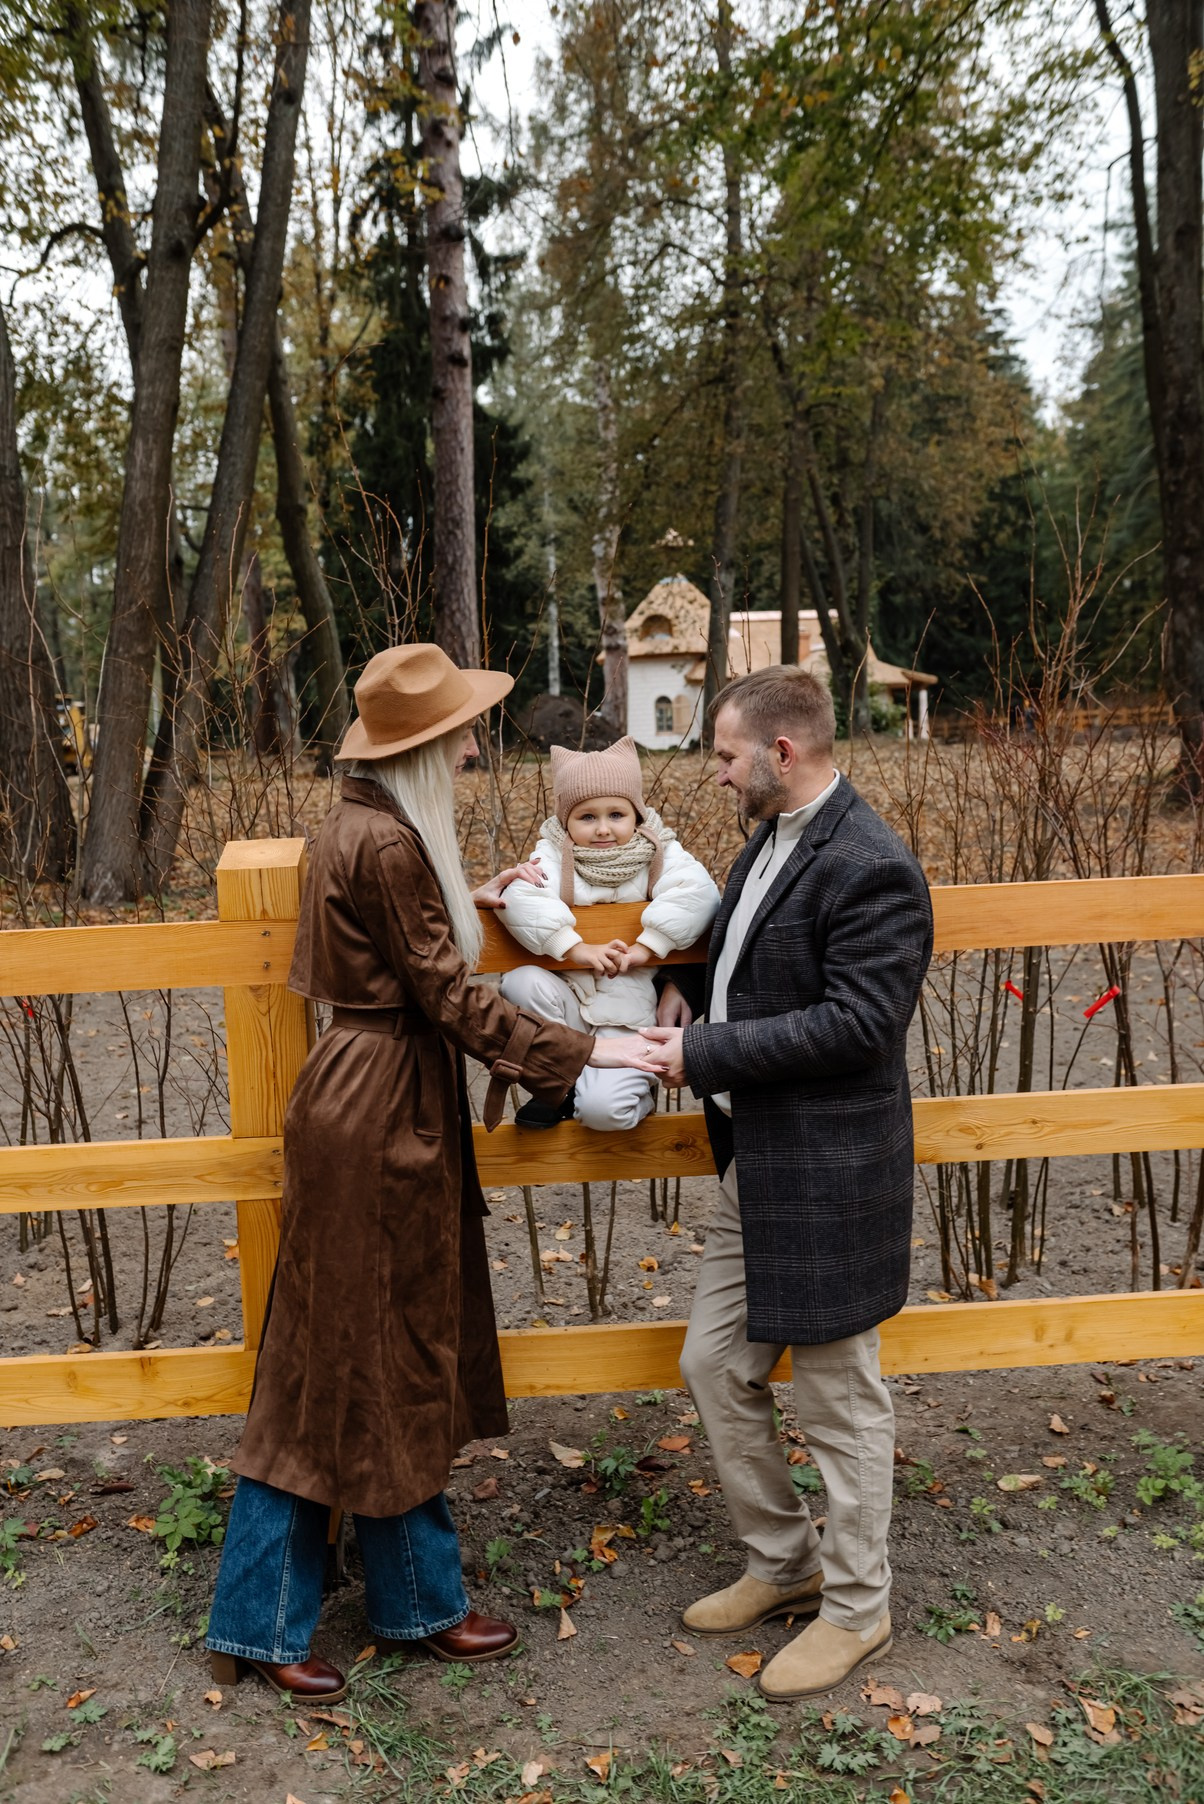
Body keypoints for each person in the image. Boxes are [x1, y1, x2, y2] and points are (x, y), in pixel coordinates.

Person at [206, 644, 657, 1703]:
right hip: (380, 1107)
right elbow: (451, 998)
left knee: (382, 1350)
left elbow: (421, 963)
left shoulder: (360, 827)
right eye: (456, 734)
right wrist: (588, 1048)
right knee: (337, 1361)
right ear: (416, 748)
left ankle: (412, 1601)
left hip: (367, 1093)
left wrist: (491, 895)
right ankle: (262, 1620)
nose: (470, 747)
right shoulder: (388, 843)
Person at [644, 666, 933, 1701]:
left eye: (723, 754)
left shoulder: (870, 864)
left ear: (781, 751)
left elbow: (860, 1024)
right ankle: (784, 1561)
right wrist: (684, 988)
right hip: (754, 1165)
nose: (712, 772)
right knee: (713, 1364)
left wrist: (703, 1056)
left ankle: (859, 1609)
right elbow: (740, 953)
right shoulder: (768, 839)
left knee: (839, 1397)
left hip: (829, 1175)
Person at [495, 737, 720, 1131]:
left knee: (605, 1112)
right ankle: (559, 1083)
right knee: (521, 981)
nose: (603, 829)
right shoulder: (550, 854)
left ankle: (616, 1090)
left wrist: (646, 948)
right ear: (566, 821)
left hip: (629, 1016)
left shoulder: (658, 854)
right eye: (587, 817)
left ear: (636, 815)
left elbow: (697, 892)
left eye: (616, 814)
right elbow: (520, 895)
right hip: (568, 1011)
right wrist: (575, 948)